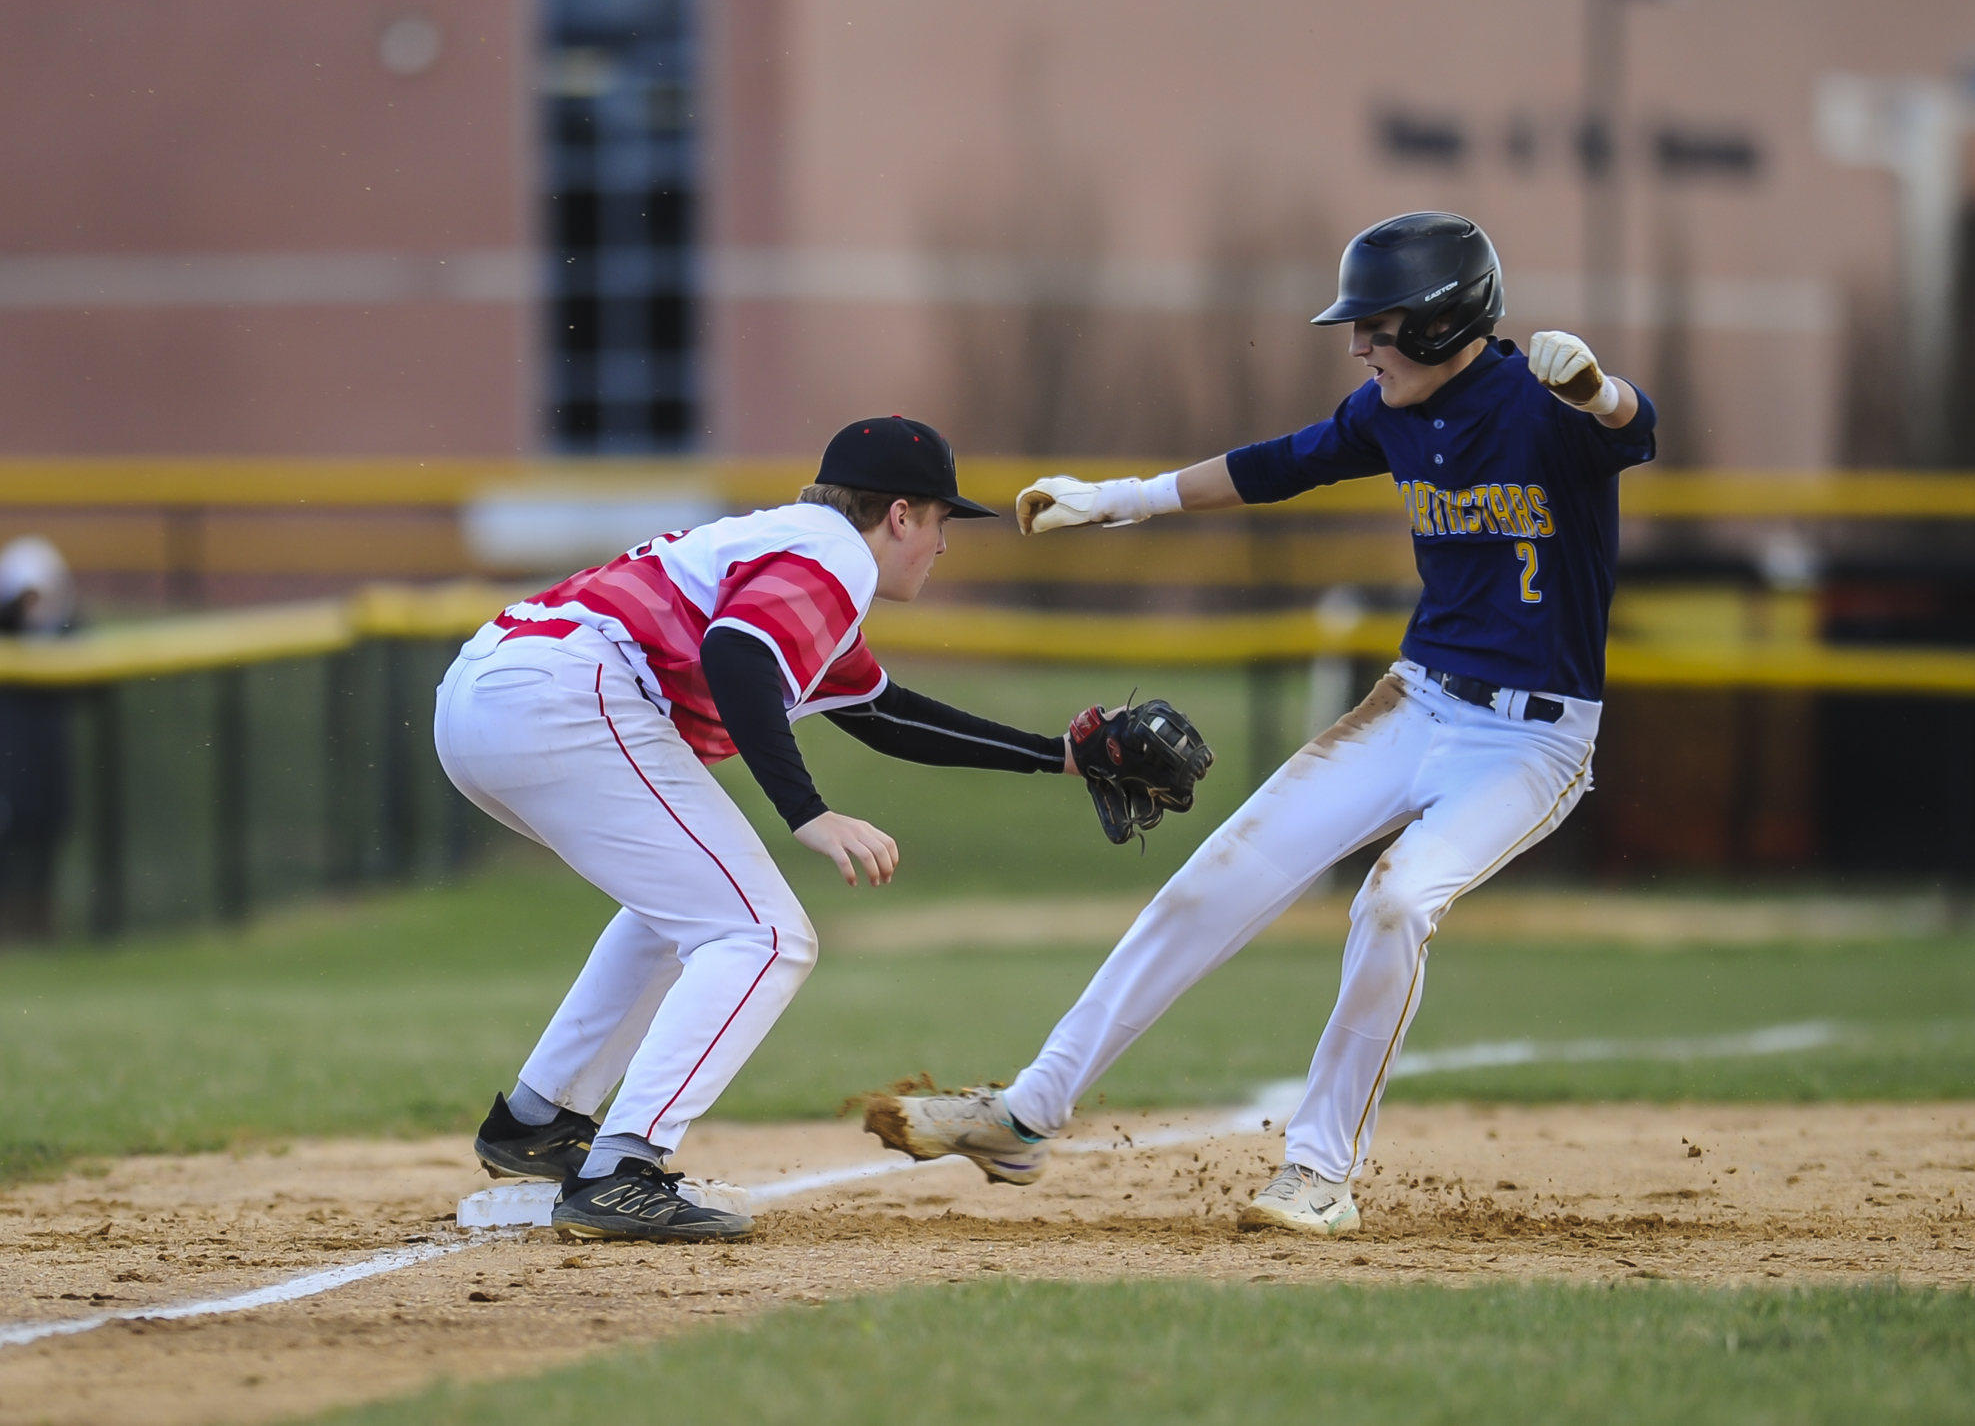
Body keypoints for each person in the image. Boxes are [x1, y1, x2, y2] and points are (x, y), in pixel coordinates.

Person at [864, 212, 1658, 1237]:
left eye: (1376, 324)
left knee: (1397, 901)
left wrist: (1593, 387)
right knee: (1217, 878)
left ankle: (1321, 1170)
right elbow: (1272, 465)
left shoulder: (1544, 406)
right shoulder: (1391, 410)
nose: (1360, 345)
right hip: (1415, 702)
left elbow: (1634, 428)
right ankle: (1024, 1113)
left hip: (1534, 739)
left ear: (1438, 322)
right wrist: (1116, 500)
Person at [438, 417, 1105, 1242]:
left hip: (492, 696)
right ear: (899, 514)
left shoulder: (796, 551)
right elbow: (738, 654)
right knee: (766, 935)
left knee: (679, 912)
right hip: (564, 697)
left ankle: (537, 1119)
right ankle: (622, 1168)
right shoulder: (834, 556)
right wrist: (807, 810)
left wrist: (1060, 759)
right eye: (940, 521)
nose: (941, 546)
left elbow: (883, 713)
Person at [0, 536, 78, 942]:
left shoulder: (67, 642)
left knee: (41, 861)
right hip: (9, 780)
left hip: (45, 781)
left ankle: (37, 933)